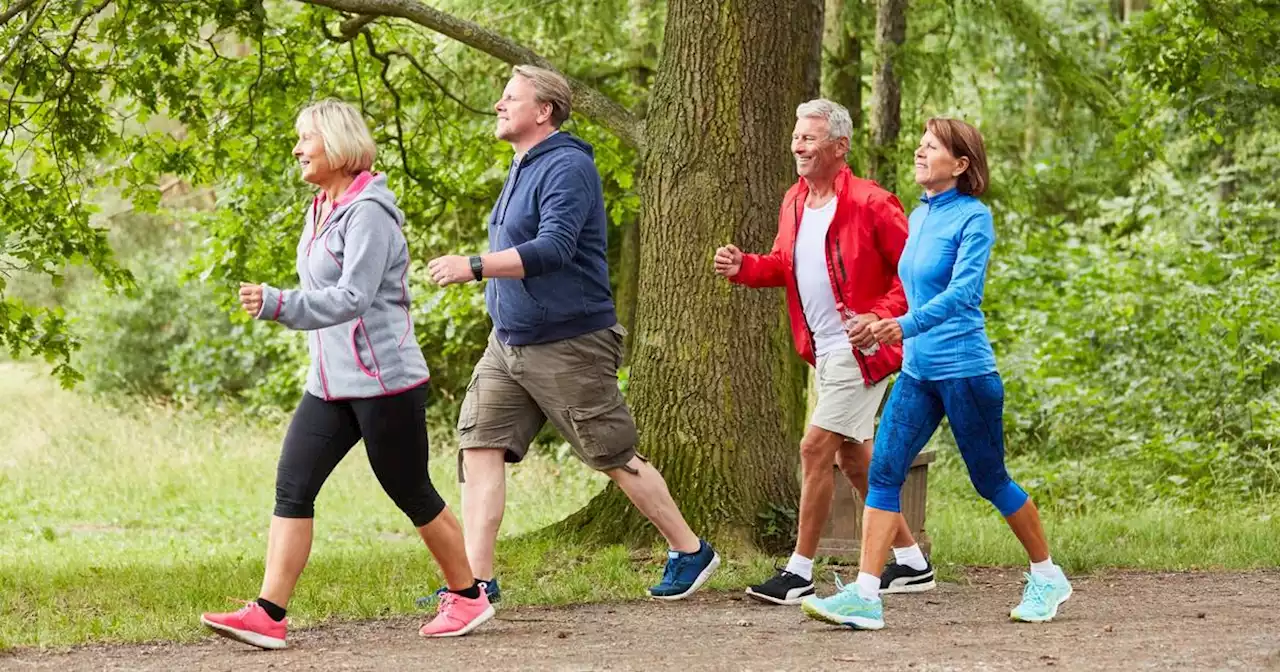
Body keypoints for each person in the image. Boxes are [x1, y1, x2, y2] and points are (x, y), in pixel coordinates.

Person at [199, 100, 494, 649]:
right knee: (293, 485)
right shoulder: (321, 207)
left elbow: (354, 297)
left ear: (336, 144)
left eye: (305, 138)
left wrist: (279, 304)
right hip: (330, 384)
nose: (297, 148)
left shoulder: (369, 213)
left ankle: (469, 596)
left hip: (385, 382)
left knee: (410, 490)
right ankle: (269, 613)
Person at [422, 65, 719, 603]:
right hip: (508, 342)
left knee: (611, 453)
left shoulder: (567, 166)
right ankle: (475, 585)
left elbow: (555, 248)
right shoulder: (522, 165)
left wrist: (476, 264)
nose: (498, 104)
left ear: (544, 111)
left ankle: (690, 548)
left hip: (568, 342)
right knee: (480, 446)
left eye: (510, 97)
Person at [801, 118, 1073, 630]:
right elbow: (908, 288)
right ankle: (865, 595)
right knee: (883, 473)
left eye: (932, 147)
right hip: (918, 371)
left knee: (990, 479)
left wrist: (899, 326)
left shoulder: (974, 219)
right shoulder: (920, 215)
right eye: (921, 145)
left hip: (966, 371)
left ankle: (1047, 574)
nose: (920, 153)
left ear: (961, 164)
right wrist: (877, 321)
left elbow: (964, 294)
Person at [713, 99, 935, 606]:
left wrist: (881, 320)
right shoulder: (793, 200)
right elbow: (783, 264)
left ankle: (799, 571)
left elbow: (915, 276)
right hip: (824, 351)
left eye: (810, 138)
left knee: (815, 448)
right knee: (855, 460)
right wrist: (744, 266)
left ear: (840, 147)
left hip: (863, 352)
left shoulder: (873, 203)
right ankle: (913, 563)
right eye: (796, 137)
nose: (798, 145)